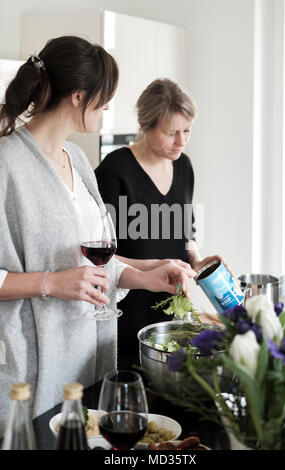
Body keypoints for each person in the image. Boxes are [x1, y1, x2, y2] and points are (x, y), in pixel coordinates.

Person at [0, 37, 196, 436]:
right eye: (105, 99)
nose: (109, 109)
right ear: (78, 97)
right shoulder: (7, 163)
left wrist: (144, 276)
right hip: (32, 365)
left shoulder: (77, 160)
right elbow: (59, 277)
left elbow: (93, 261)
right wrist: (50, 283)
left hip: (88, 357)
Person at [95, 78, 226, 369]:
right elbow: (96, 254)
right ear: (146, 126)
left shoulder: (184, 166)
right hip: (125, 318)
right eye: (171, 133)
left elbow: (185, 233)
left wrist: (197, 261)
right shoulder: (114, 170)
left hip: (172, 318)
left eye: (187, 131)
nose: (181, 141)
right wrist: (151, 266)